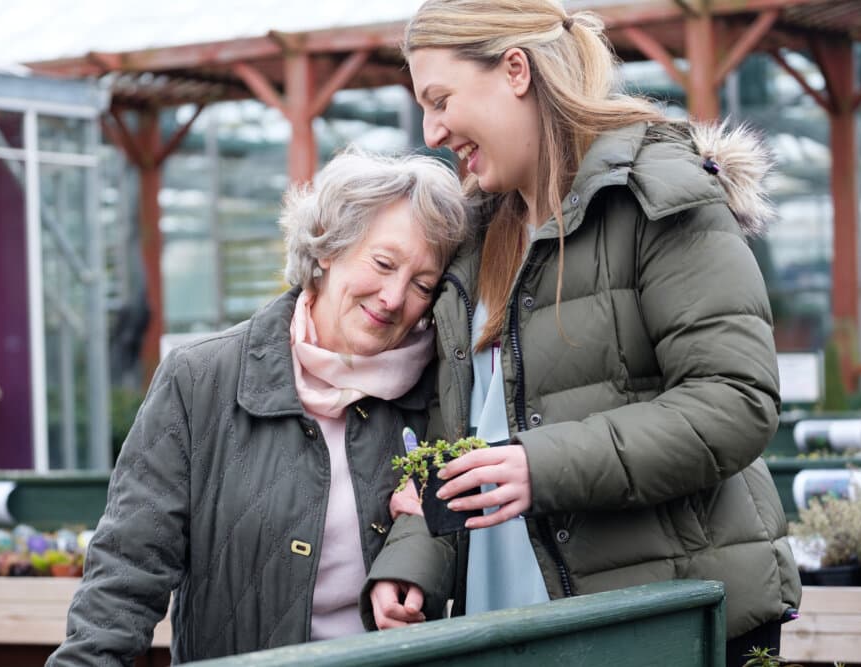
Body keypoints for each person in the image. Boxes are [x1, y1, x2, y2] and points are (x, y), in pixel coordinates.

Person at [363, 1, 800, 664]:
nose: (432, 129)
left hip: (652, 625)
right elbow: (459, 442)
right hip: (510, 628)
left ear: (516, 71)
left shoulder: (658, 195)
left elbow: (736, 400)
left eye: (441, 99)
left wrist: (542, 466)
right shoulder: (474, 244)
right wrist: (415, 558)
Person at [47, 148, 468, 665]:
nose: (393, 296)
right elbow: (128, 567)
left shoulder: (441, 393)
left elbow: (462, 537)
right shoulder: (201, 379)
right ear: (329, 247)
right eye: (382, 264)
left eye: (422, 285)